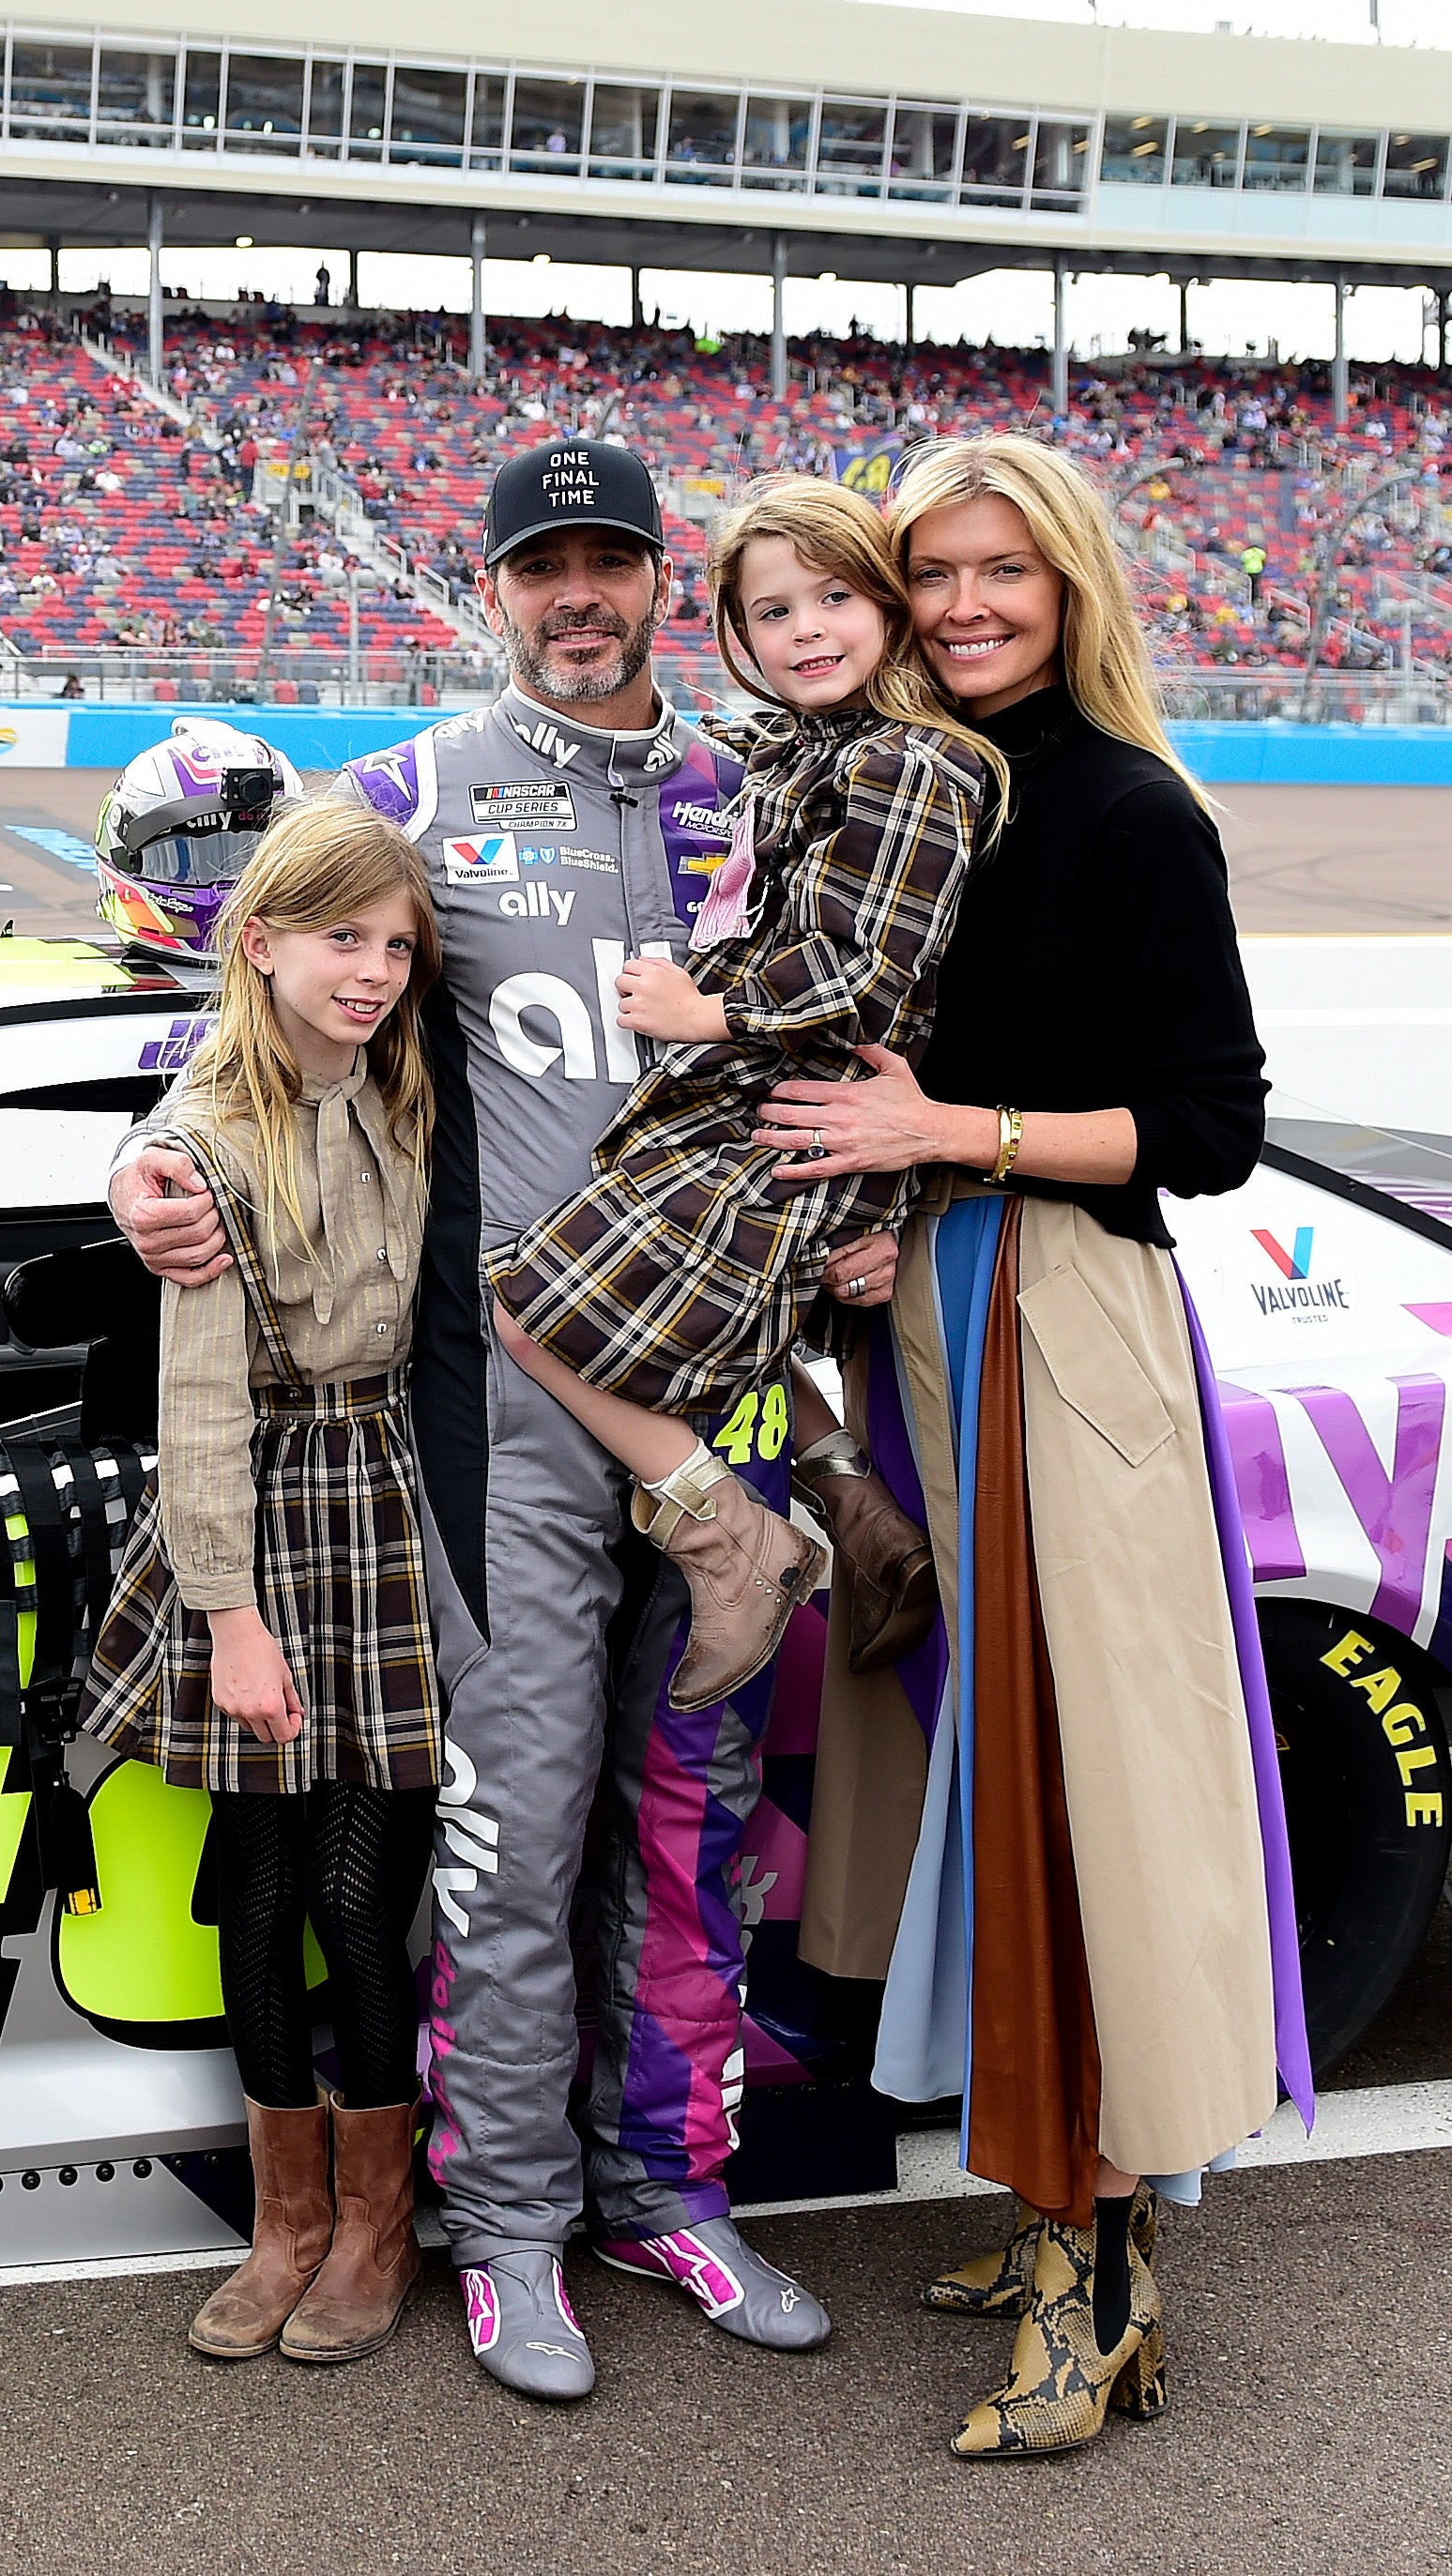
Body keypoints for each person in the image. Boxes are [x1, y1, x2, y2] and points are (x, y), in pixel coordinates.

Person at [110, 439, 830, 2401]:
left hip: (723, 1401)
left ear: (663, 580)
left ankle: (666, 2193)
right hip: (501, 1421)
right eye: (543, 567)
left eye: (610, 563)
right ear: (491, 584)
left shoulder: (756, 795)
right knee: (509, 1850)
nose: (576, 595)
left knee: (695, 1835)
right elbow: (263, 993)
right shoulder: (411, 794)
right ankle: (505, 2227)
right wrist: (150, 1162)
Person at [761, 433, 1310, 2459]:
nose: (968, 605)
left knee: (1080, 1801)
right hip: (935, 1310)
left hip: (1064, 1322)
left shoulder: (1124, 810)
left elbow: (1211, 1128)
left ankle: (1099, 2289)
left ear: (1071, 585)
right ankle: (1068, 2213)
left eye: (1006, 571)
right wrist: (890, 1188)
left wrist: (943, 1139)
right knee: (990, 1788)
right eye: (936, 574)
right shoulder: (929, 793)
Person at [485, 477, 1000, 1715]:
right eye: (773, 612)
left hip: (787, 1118)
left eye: (836, 597)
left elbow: (871, 974)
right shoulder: (799, 754)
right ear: (733, 630)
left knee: (527, 1307)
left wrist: (704, 1013)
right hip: (764, 1115)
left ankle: (736, 1543)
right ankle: (856, 1514)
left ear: (890, 609)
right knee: (716, 1351)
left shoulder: (912, 762)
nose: (806, 629)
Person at [73, 798, 443, 2368]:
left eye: (398, 946)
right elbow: (201, 1404)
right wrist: (229, 1619)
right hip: (267, 1526)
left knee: (364, 1899)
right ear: (261, 940)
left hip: (399, 1504)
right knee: (267, 1894)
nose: (372, 972)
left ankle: (375, 2222)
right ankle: (285, 2218)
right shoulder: (210, 1141)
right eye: (341, 940)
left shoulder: (419, 1088)